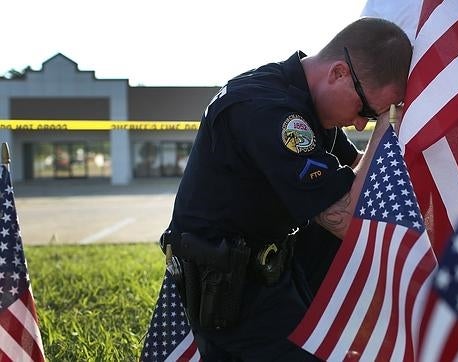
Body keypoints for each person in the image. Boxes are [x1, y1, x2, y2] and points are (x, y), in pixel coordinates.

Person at [161, 17, 412, 361]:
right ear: (338, 73)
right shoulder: (271, 111)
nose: (359, 123)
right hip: (227, 286)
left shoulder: (301, 101)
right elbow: (345, 218)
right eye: (366, 110)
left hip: (262, 269)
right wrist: (386, 127)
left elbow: (350, 177)